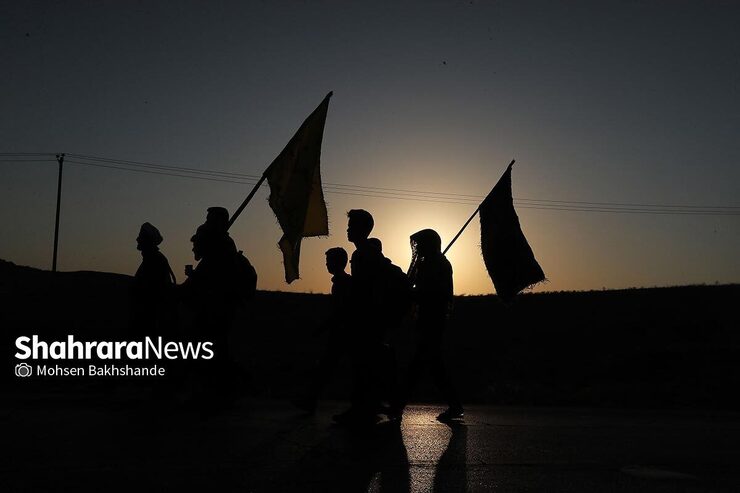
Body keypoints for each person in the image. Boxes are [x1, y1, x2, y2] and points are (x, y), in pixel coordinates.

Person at [400, 228, 463, 422]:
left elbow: (432, 294)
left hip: (432, 321)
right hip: (429, 321)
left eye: (421, 244)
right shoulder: (430, 264)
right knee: (433, 366)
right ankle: (454, 405)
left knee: (419, 366)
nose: (417, 248)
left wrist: (413, 294)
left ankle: (397, 405)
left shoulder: (438, 265)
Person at [294, 247, 353, 413]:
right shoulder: (343, 282)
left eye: (329, 261)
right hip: (343, 332)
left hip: (342, 333)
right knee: (328, 368)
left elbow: (340, 311)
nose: (326, 264)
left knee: (326, 368)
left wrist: (322, 328)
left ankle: (310, 400)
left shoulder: (341, 284)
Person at [130, 222, 176, 337]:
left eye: (140, 237)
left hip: (153, 316)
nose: (137, 239)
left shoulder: (154, 260)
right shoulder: (153, 258)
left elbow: (152, 290)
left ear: (147, 240)